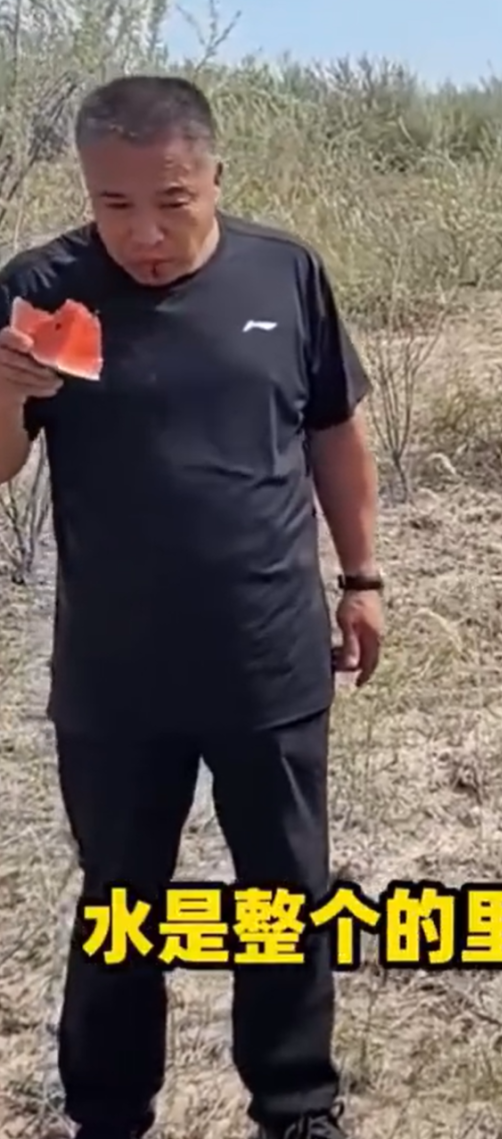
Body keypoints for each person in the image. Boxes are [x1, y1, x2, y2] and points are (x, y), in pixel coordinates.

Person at [0, 76, 383, 1139]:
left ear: (214, 175)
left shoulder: (284, 271)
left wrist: (363, 577)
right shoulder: (41, 288)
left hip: (268, 651)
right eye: (114, 204)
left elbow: (333, 429)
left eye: (171, 201)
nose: (144, 233)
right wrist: (8, 391)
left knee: (284, 892)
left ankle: (295, 1103)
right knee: (121, 900)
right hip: (114, 673)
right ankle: (109, 1110)